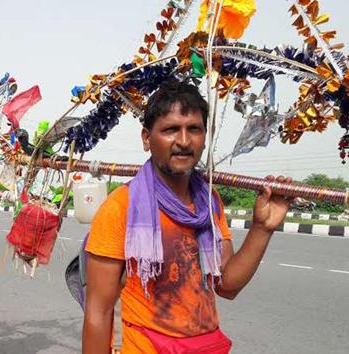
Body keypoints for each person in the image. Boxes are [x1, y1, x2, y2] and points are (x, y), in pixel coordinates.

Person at [82, 81, 291, 354]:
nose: (183, 141)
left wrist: (262, 228)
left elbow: (226, 286)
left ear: (205, 136)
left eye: (194, 129)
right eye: (170, 130)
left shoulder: (209, 201)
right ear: (147, 138)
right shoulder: (121, 206)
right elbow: (98, 311)